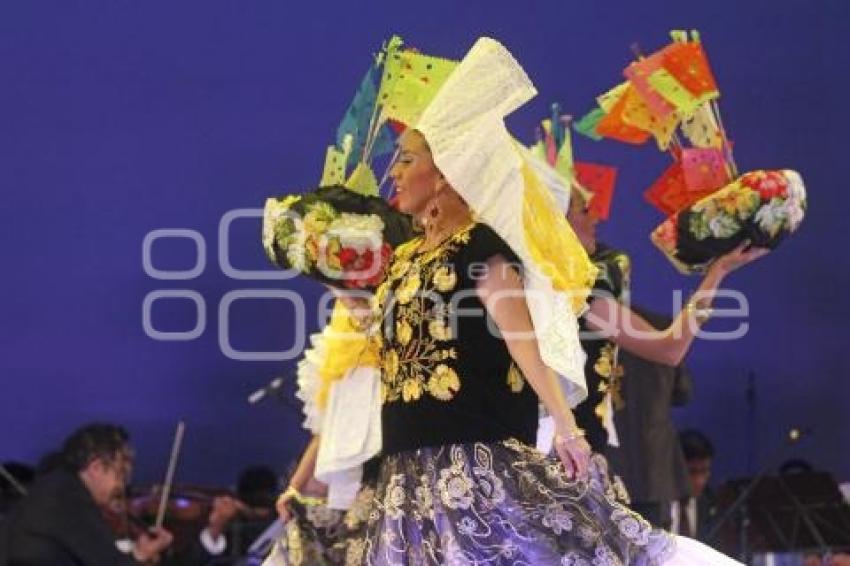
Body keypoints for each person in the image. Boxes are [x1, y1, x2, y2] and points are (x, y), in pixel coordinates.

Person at [339, 37, 751, 564]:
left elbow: (525, 337)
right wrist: (335, 281)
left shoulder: (496, 254)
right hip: (408, 462)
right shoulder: (406, 259)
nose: (590, 218)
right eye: (582, 209)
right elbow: (393, 337)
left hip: (480, 453)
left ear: (443, 172)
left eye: (406, 160)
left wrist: (568, 426)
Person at [3, 423, 173, 565]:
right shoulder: (70, 500)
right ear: (96, 468)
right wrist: (141, 554)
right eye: (120, 474)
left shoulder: (57, 487)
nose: (122, 486)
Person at [605, 306, 694, 530]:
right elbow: (682, 393)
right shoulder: (662, 324)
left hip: (606, 464)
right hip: (654, 467)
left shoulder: (587, 324)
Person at [672, 429, 717, 540]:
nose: (699, 481)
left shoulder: (711, 505)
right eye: (692, 472)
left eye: (704, 471)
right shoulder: (658, 505)